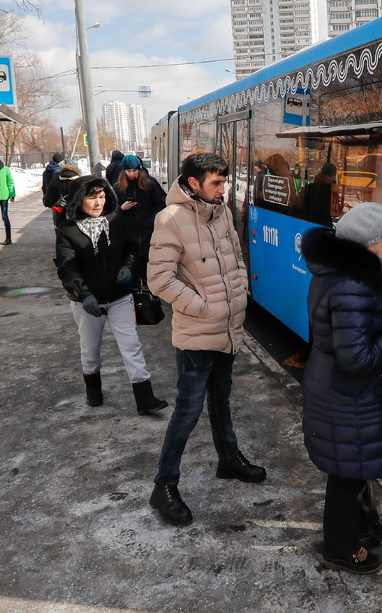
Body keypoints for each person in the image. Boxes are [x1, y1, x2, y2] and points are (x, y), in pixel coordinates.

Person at [147, 152, 266, 527]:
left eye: (224, 181)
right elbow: (159, 280)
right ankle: (164, 485)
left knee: (221, 398)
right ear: (193, 183)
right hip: (197, 334)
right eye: (216, 182)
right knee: (188, 410)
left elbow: (237, 256)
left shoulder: (222, 212)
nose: (223, 189)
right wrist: (203, 307)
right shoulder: (170, 219)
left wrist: (240, 288)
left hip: (228, 329)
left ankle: (228, 459)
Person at [300, 202, 382, 575]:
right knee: (347, 474)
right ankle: (340, 549)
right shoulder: (352, 286)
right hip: (345, 393)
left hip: (336, 387)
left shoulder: (336, 272)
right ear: (365, 243)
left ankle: (365, 522)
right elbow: (357, 359)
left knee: (355, 464)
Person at [54, 175, 168, 415]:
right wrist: (84, 294)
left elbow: (131, 249)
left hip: (119, 297)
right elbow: (67, 268)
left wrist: (127, 267)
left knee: (131, 346)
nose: (98, 202)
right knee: (90, 349)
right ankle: (93, 390)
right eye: (91, 197)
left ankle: (144, 398)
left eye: (102, 196)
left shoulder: (115, 221)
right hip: (87, 303)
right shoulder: (67, 231)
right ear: (79, 200)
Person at [113, 154, 167, 287]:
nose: (132, 174)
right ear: (124, 171)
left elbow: (161, 204)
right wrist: (121, 209)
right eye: (129, 171)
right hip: (129, 234)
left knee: (150, 268)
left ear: (139, 170)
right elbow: (111, 212)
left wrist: (152, 220)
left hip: (149, 233)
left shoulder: (149, 184)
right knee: (132, 270)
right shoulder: (118, 187)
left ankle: (151, 292)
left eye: (135, 170)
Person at [298, 162, 337, 227]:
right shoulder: (329, 190)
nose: (333, 179)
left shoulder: (310, 188)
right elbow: (334, 211)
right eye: (332, 176)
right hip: (323, 224)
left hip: (310, 222)